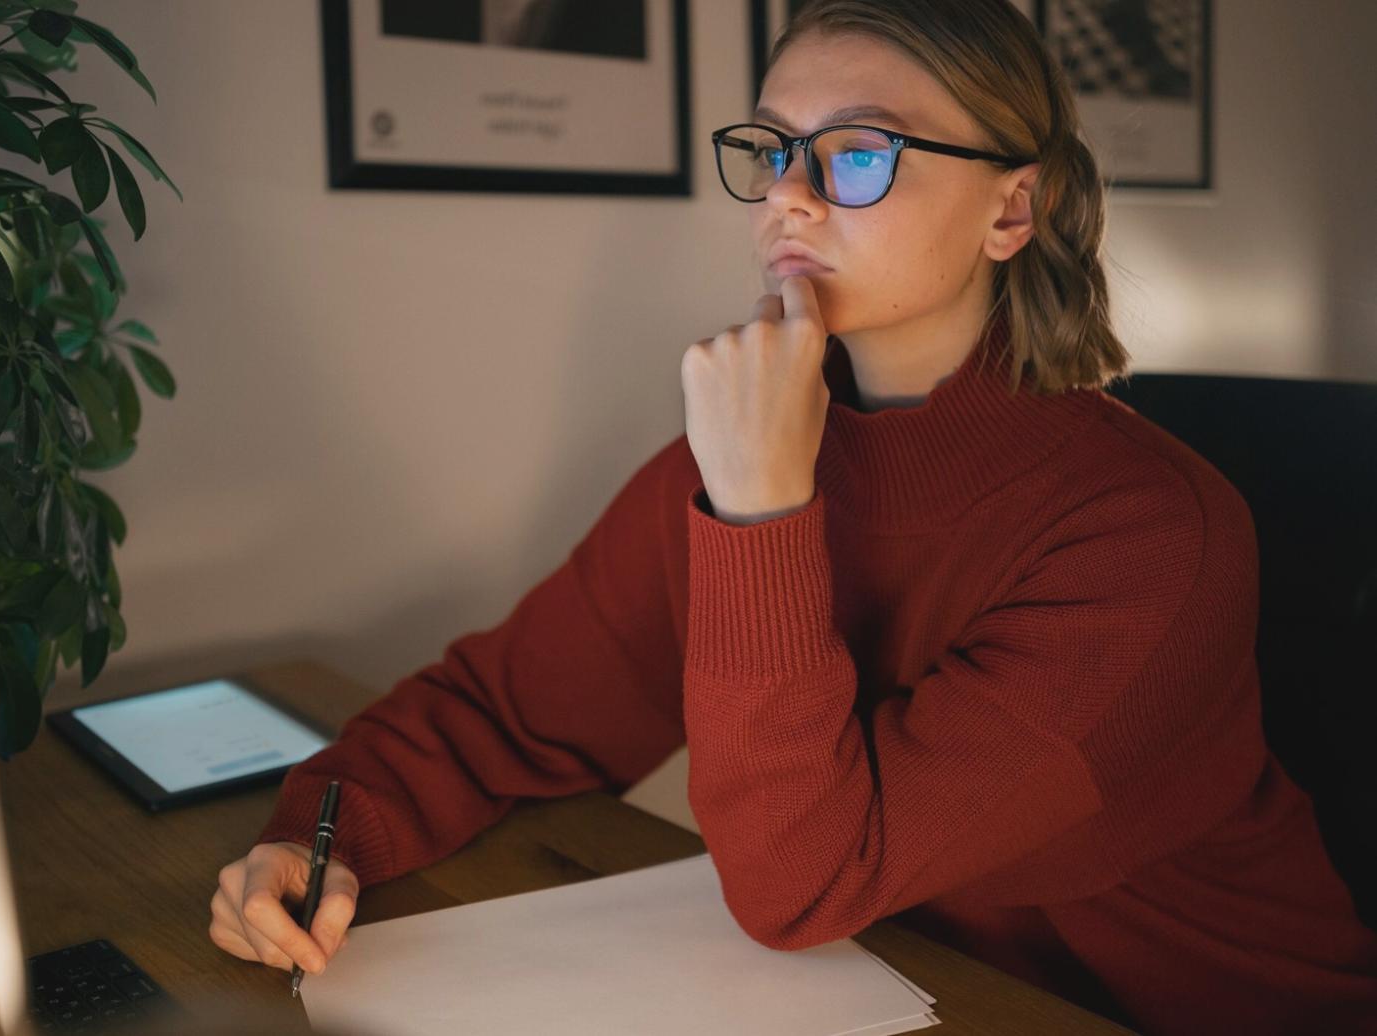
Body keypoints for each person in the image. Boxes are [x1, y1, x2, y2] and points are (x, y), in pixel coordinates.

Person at [209, 1, 1377, 1032]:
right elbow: (511, 709)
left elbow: (801, 886)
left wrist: (763, 510)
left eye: (858, 153)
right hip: (904, 986)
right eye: (773, 149)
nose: (788, 195)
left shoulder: (1152, 536)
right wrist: (317, 836)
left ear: (1013, 208)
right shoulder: (752, 449)